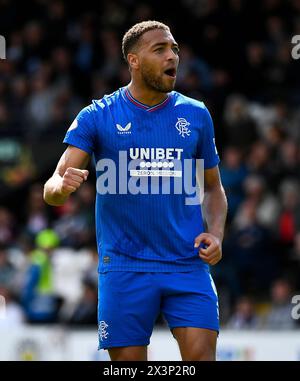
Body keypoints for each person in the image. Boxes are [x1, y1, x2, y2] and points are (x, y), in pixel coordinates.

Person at [44, 21, 227, 361]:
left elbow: (214, 188)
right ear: (134, 60)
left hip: (186, 264)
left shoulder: (196, 115)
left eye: (174, 50)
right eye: (160, 50)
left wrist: (215, 233)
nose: (172, 56)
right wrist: (61, 187)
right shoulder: (97, 116)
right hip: (125, 267)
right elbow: (52, 185)